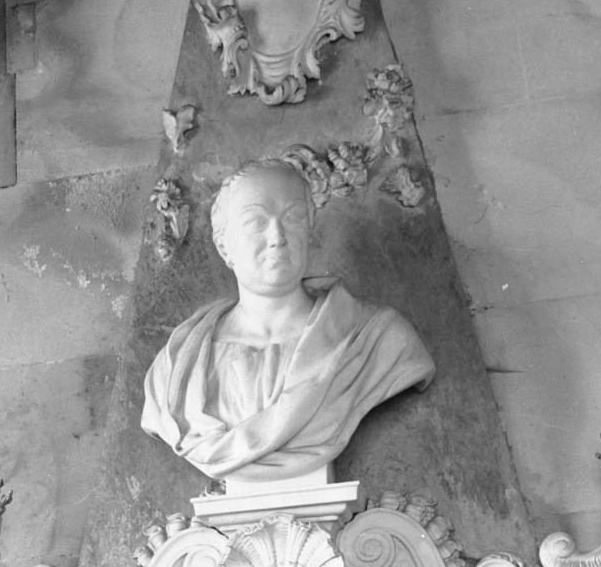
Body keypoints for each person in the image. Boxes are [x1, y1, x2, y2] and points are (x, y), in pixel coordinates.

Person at [140, 158, 435, 484]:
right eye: (255, 222)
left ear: (309, 228)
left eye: (293, 217)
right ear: (224, 245)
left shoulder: (377, 339)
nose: (277, 236)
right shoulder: (176, 369)